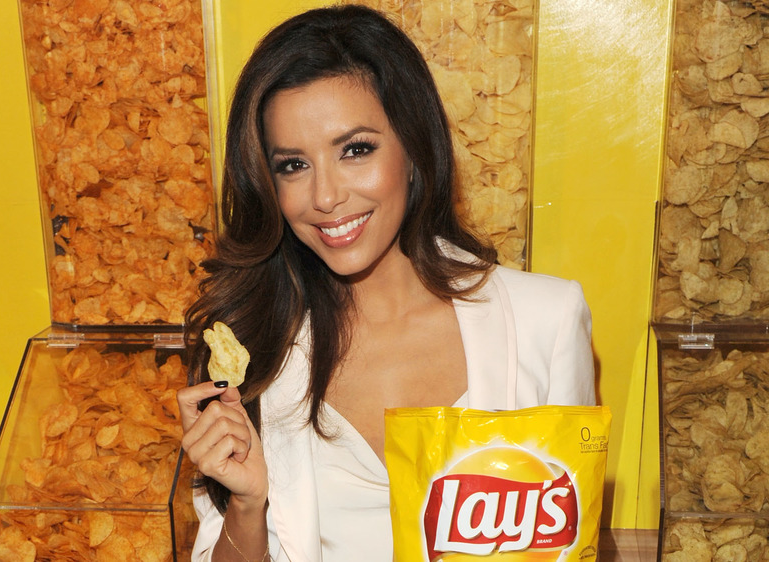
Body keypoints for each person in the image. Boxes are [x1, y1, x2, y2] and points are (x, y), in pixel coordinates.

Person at [175, 5, 596, 561]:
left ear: (414, 148)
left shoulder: (548, 319)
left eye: (355, 150)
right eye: (293, 165)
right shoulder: (253, 347)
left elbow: (573, 546)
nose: (325, 196)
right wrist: (247, 504)